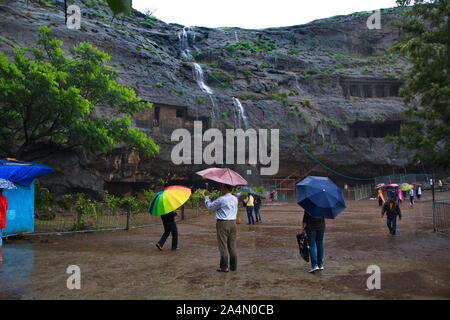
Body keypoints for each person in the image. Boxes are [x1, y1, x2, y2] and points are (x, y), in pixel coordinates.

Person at [205, 184, 238, 273]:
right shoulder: (235, 199)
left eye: (222, 187)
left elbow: (210, 207)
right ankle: (233, 266)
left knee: (223, 245)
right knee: (232, 246)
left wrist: (207, 197)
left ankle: (224, 267)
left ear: (225, 188)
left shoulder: (221, 199)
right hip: (233, 223)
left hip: (223, 223)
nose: (221, 189)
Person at [0, 188, 8, 263]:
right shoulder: (5, 199)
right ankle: (0, 257)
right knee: (0, 239)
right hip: (2, 221)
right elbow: (6, 210)